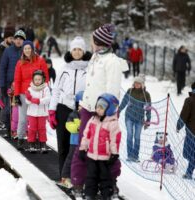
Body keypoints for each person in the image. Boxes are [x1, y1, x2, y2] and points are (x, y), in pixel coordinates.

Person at [70, 24, 128, 197]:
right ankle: (79, 182)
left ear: (99, 42)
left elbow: (112, 90)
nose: (90, 43)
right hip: (89, 108)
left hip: (104, 112)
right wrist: (85, 98)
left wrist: (107, 113)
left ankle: (110, 183)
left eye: (92, 40)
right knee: (83, 146)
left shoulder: (112, 62)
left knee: (105, 148)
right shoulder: (95, 57)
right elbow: (92, 83)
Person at [49, 36, 92, 179]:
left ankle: (77, 176)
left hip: (81, 110)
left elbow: (93, 89)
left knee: (78, 145)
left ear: (84, 51)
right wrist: (52, 110)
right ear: (71, 51)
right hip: (63, 108)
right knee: (63, 144)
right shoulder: (64, 69)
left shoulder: (89, 69)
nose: (77, 52)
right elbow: (55, 90)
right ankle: (64, 176)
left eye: (80, 49)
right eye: (74, 49)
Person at [79, 93, 121, 200]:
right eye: (97, 106)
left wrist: (114, 154)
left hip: (105, 158)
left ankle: (107, 195)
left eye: (101, 108)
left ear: (109, 109)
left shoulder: (112, 123)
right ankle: (89, 194)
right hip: (92, 156)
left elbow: (114, 140)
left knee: (105, 177)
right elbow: (86, 135)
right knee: (90, 177)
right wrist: (83, 148)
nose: (98, 109)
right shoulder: (93, 120)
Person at [14, 40, 49, 150]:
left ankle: (37, 139)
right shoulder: (20, 63)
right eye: (25, 49)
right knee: (23, 118)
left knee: (37, 117)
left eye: (29, 48)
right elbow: (17, 80)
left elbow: (46, 77)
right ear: (23, 50)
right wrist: (16, 95)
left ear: (33, 49)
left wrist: (45, 91)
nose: (27, 50)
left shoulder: (40, 61)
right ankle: (20, 138)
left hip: (38, 93)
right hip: (24, 93)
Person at [0, 30, 26, 137]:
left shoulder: (26, 51)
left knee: (19, 109)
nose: (19, 41)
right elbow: (2, 68)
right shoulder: (8, 51)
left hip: (22, 85)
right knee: (7, 109)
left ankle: (17, 130)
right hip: (8, 83)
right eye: (17, 39)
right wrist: (2, 84)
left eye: (21, 39)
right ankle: (8, 128)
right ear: (14, 40)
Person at [118, 74, 151, 162]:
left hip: (139, 118)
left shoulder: (146, 94)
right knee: (129, 135)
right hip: (129, 116)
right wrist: (119, 110)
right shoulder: (130, 91)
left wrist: (148, 120)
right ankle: (130, 155)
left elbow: (148, 108)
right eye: (135, 83)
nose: (136, 84)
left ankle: (135, 156)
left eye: (139, 83)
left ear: (142, 84)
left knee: (137, 137)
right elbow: (124, 101)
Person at [58, 91, 83, 189]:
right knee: (71, 158)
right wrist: (77, 128)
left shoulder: (89, 116)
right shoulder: (74, 114)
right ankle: (65, 176)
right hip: (75, 142)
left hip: (84, 143)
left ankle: (78, 177)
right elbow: (68, 125)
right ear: (77, 104)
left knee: (81, 160)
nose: (82, 108)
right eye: (80, 105)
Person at [25, 70, 51, 153]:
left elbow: (48, 99)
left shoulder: (46, 89)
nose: (37, 81)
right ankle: (31, 143)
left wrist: (38, 101)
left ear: (43, 79)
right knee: (32, 128)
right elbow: (27, 102)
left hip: (42, 113)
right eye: (35, 79)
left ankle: (42, 143)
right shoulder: (30, 89)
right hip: (32, 113)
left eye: (39, 79)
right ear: (33, 80)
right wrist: (29, 99)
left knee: (42, 128)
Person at [177, 82, 195, 179]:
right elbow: (184, 114)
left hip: (192, 132)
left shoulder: (189, 100)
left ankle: (189, 173)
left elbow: (183, 115)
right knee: (187, 153)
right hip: (191, 131)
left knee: (189, 153)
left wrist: (179, 125)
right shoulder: (189, 100)